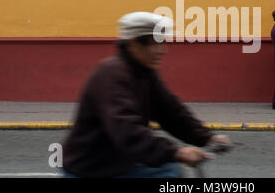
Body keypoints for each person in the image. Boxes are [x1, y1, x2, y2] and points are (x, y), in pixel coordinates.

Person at [62, 12, 230, 178]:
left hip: (119, 161)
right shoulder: (112, 74)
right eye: (155, 44)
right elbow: (127, 129)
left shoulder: (144, 73)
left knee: (170, 171)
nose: (162, 51)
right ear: (132, 45)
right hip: (92, 168)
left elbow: (170, 111)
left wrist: (207, 138)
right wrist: (176, 152)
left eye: (163, 43)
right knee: (168, 173)